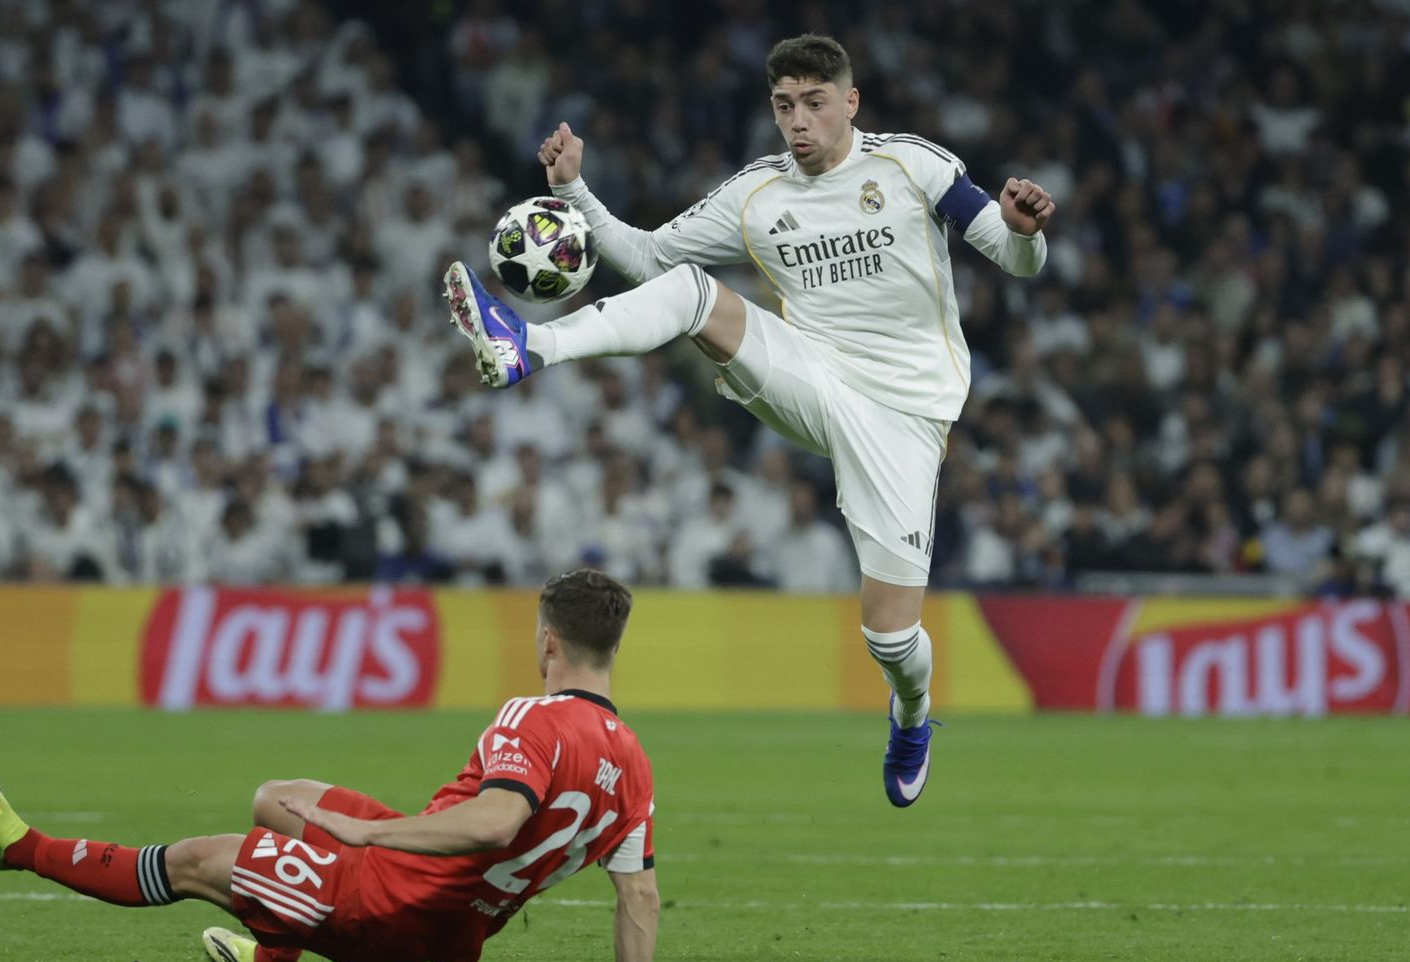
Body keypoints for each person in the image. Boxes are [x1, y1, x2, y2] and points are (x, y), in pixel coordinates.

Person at [442, 34, 1055, 807]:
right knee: (694, 293)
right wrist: (577, 192)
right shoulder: (756, 195)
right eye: (784, 106)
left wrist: (1025, 230)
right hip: (814, 373)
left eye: (814, 103)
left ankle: (913, 712)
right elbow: (646, 259)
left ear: (850, 103)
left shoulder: (912, 165)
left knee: (891, 638)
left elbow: (1008, 252)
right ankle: (528, 343)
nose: (797, 122)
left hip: (907, 413)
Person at [0, 569, 659, 962]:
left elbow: (497, 820)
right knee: (275, 797)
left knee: (199, 859)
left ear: (546, 642)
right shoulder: (634, 767)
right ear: (616, 649)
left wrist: (370, 833)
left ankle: (14, 846)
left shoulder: (532, 717)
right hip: (446, 910)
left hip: (387, 903)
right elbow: (639, 893)